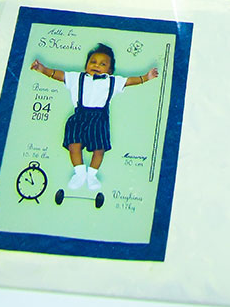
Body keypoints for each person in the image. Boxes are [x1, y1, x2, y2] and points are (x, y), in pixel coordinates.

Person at [31, 43, 159, 195]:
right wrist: (42, 69)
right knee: (73, 144)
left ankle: (92, 175)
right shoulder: (77, 78)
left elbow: (130, 81)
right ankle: (79, 172)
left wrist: (146, 77)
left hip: (99, 118)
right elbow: (59, 75)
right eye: (93, 62)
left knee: (100, 149)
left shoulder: (112, 81)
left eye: (103, 64)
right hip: (79, 116)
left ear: (110, 70)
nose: (96, 65)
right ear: (86, 65)